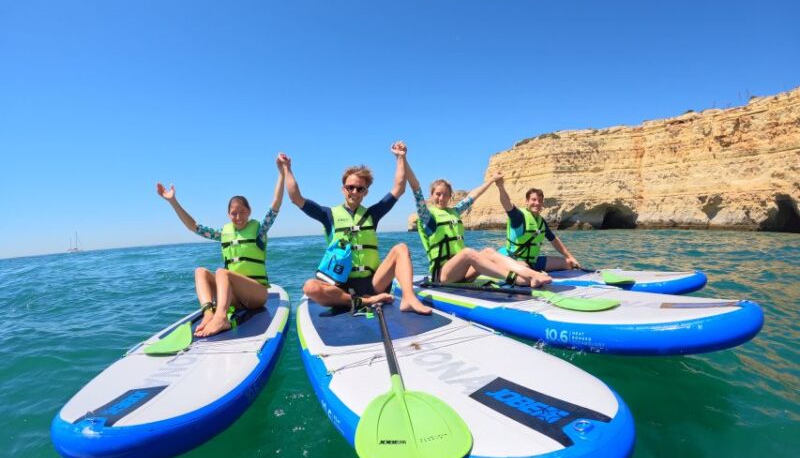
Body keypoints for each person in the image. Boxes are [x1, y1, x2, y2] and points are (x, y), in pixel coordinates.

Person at [283, 144, 431, 314]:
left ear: (365, 192)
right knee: (310, 287)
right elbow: (295, 197)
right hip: (343, 287)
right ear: (343, 189)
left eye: (360, 188)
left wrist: (400, 158)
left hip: (375, 283)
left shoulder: (372, 214)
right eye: (350, 187)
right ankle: (365, 301)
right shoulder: (328, 215)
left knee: (401, 249)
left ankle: (409, 299)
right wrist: (287, 168)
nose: (354, 191)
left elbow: (399, 188)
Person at [156, 155, 286, 337]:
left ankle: (221, 317)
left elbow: (275, 205)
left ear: (249, 211)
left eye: (243, 212)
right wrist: (172, 201)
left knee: (221, 272)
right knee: (200, 271)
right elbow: (194, 227)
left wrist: (281, 173)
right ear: (228, 215)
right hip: (234, 298)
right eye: (234, 213)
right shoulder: (223, 233)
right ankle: (208, 312)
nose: (239, 217)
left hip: (256, 295)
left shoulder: (259, 230)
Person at [404, 146, 552, 286]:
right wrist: (403, 159)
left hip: (462, 272)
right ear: (431, 195)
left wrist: (492, 181)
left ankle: (529, 274)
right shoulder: (427, 217)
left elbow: (473, 196)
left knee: (488, 251)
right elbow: (415, 187)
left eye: (445, 195)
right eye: (438, 194)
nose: (441, 198)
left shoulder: (454, 212)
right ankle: (516, 279)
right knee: (468, 252)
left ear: (450, 196)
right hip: (442, 275)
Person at [496, 181, 579, 271]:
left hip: (532, 262)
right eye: (534, 200)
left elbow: (554, 240)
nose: (537, 203)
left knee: (568, 264)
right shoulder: (519, 217)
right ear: (527, 201)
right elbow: (506, 203)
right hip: (513, 260)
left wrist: (570, 257)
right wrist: (500, 186)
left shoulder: (541, 222)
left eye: (540, 201)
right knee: (526, 269)